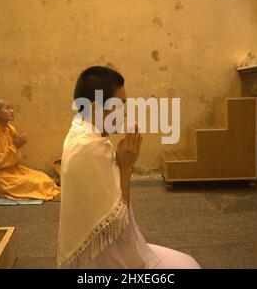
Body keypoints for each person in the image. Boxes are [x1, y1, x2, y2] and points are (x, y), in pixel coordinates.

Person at [57, 66, 200, 269]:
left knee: (185, 261)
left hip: (104, 249)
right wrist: (126, 167)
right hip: (102, 261)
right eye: (120, 104)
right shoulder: (90, 148)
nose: (124, 113)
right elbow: (117, 225)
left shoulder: (80, 130)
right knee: (189, 267)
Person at [0, 98, 61, 201]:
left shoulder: (10, 129)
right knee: (36, 184)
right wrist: (14, 147)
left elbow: (15, 157)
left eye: (12, 108)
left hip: (14, 171)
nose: (12, 111)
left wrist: (16, 148)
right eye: (7, 108)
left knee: (43, 178)